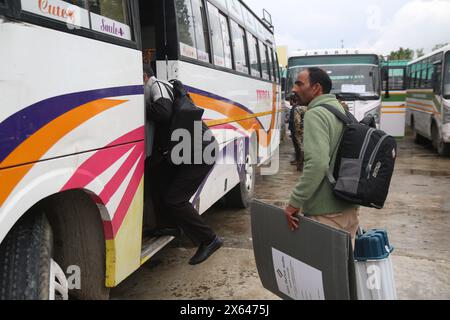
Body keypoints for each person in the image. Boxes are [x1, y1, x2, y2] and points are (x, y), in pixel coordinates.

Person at [143, 65, 223, 265]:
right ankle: (168, 225)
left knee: (175, 199)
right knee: (156, 175)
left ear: (144, 76)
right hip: (186, 151)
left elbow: (162, 112)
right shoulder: (159, 88)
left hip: (200, 153)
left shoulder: (157, 86)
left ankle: (209, 240)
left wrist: (135, 106)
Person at [284, 67, 360, 248]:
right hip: (348, 209)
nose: (294, 89)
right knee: (343, 271)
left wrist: (294, 202)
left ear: (316, 88)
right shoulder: (341, 111)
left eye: (300, 83)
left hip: (326, 214)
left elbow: (317, 163)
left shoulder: (315, 114)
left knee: (323, 274)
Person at [288, 94, 302, 166]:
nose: (289, 101)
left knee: (297, 146)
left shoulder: (295, 108)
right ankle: (297, 160)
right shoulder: (294, 107)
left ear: (292, 100)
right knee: (296, 146)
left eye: (289, 100)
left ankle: (298, 161)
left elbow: (295, 121)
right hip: (293, 130)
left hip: (295, 130)